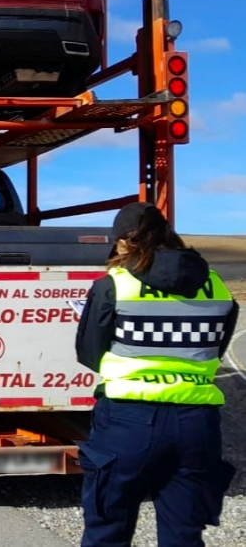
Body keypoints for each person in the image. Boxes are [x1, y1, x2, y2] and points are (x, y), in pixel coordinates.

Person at [75, 202, 239, 547]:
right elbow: (215, 351)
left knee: (107, 528)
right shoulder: (216, 286)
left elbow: (89, 354)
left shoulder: (114, 285)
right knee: (184, 532)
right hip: (197, 421)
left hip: (128, 419)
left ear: (124, 242)